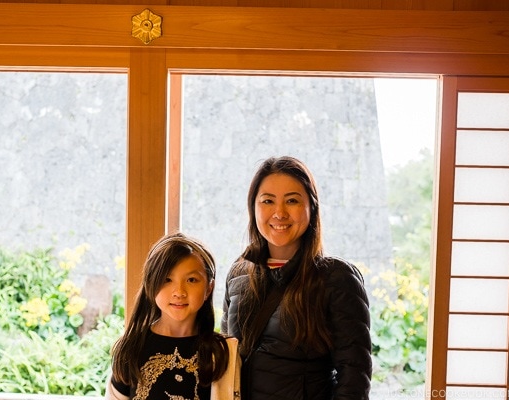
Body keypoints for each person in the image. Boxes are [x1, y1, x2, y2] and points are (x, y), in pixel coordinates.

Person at [221, 156, 372, 400]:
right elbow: (229, 358)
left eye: (292, 201)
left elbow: (354, 376)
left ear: (312, 208)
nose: (279, 213)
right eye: (268, 201)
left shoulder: (337, 278)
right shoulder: (238, 274)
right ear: (253, 208)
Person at [106, 232, 240, 400]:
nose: (179, 292)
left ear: (209, 288)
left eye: (191, 280)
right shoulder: (131, 349)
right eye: (167, 279)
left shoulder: (222, 353)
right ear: (151, 284)